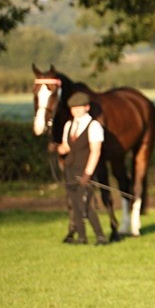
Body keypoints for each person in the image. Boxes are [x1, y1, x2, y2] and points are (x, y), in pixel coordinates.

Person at [57, 92, 108, 246]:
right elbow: (67, 147)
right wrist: (57, 148)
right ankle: (81, 237)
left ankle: (100, 236)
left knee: (85, 205)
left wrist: (88, 173)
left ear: (87, 107)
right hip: (70, 170)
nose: (76, 111)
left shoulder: (94, 126)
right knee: (74, 204)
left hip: (85, 170)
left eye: (79, 107)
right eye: (73, 108)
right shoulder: (69, 125)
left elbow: (95, 151)